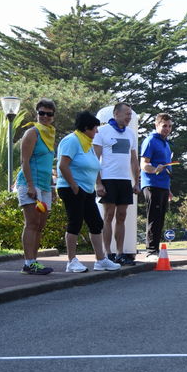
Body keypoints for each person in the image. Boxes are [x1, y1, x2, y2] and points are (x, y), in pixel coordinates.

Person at [56, 112, 121, 273]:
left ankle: (100, 260)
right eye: (95, 129)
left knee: (96, 223)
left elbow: (93, 165)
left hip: (86, 189)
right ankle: (71, 261)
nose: (97, 132)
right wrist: (73, 185)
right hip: (71, 189)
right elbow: (63, 165)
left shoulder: (87, 144)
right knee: (75, 223)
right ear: (86, 128)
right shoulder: (72, 141)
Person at [93, 101, 140, 266]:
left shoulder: (130, 133)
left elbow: (134, 160)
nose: (129, 116)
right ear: (116, 114)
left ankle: (121, 253)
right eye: (126, 113)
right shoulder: (102, 131)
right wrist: (98, 183)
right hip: (108, 179)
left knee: (122, 216)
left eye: (130, 114)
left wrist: (137, 181)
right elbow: (95, 159)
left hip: (125, 180)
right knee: (108, 216)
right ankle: (108, 253)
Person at [14, 98, 56, 275]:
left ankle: (34, 261)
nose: (45, 116)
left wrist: (52, 187)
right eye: (41, 113)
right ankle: (28, 262)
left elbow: (47, 163)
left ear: (53, 116)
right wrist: (31, 185)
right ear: (36, 114)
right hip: (30, 183)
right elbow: (25, 161)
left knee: (40, 224)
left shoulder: (50, 133)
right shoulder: (32, 133)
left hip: (45, 185)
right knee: (31, 223)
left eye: (49, 113)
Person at [140, 113, 177, 258]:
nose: (167, 129)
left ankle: (155, 249)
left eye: (169, 126)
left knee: (160, 218)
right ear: (156, 125)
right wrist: (154, 169)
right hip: (151, 184)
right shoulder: (150, 140)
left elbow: (167, 169)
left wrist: (168, 189)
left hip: (163, 186)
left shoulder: (166, 144)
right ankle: (150, 251)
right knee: (154, 218)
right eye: (164, 126)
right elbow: (144, 164)